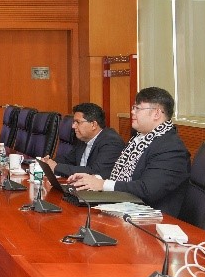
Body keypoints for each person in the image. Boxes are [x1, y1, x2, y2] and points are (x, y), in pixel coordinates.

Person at [68, 87, 190, 216]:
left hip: (150, 218)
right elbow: (121, 175)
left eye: (137, 108)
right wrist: (94, 179)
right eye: (133, 107)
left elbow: (147, 190)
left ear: (156, 113)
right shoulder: (139, 139)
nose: (132, 112)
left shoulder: (171, 148)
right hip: (125, 208)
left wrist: (102, 184)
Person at [41, 102, 125, 178]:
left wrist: (56, 167)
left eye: (78, 122)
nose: (73, 126)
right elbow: (68, 160)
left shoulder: (112, 142)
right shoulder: (84, 138)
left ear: (93, 125)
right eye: (74, 122)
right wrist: (48, 162)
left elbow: (96, 172)